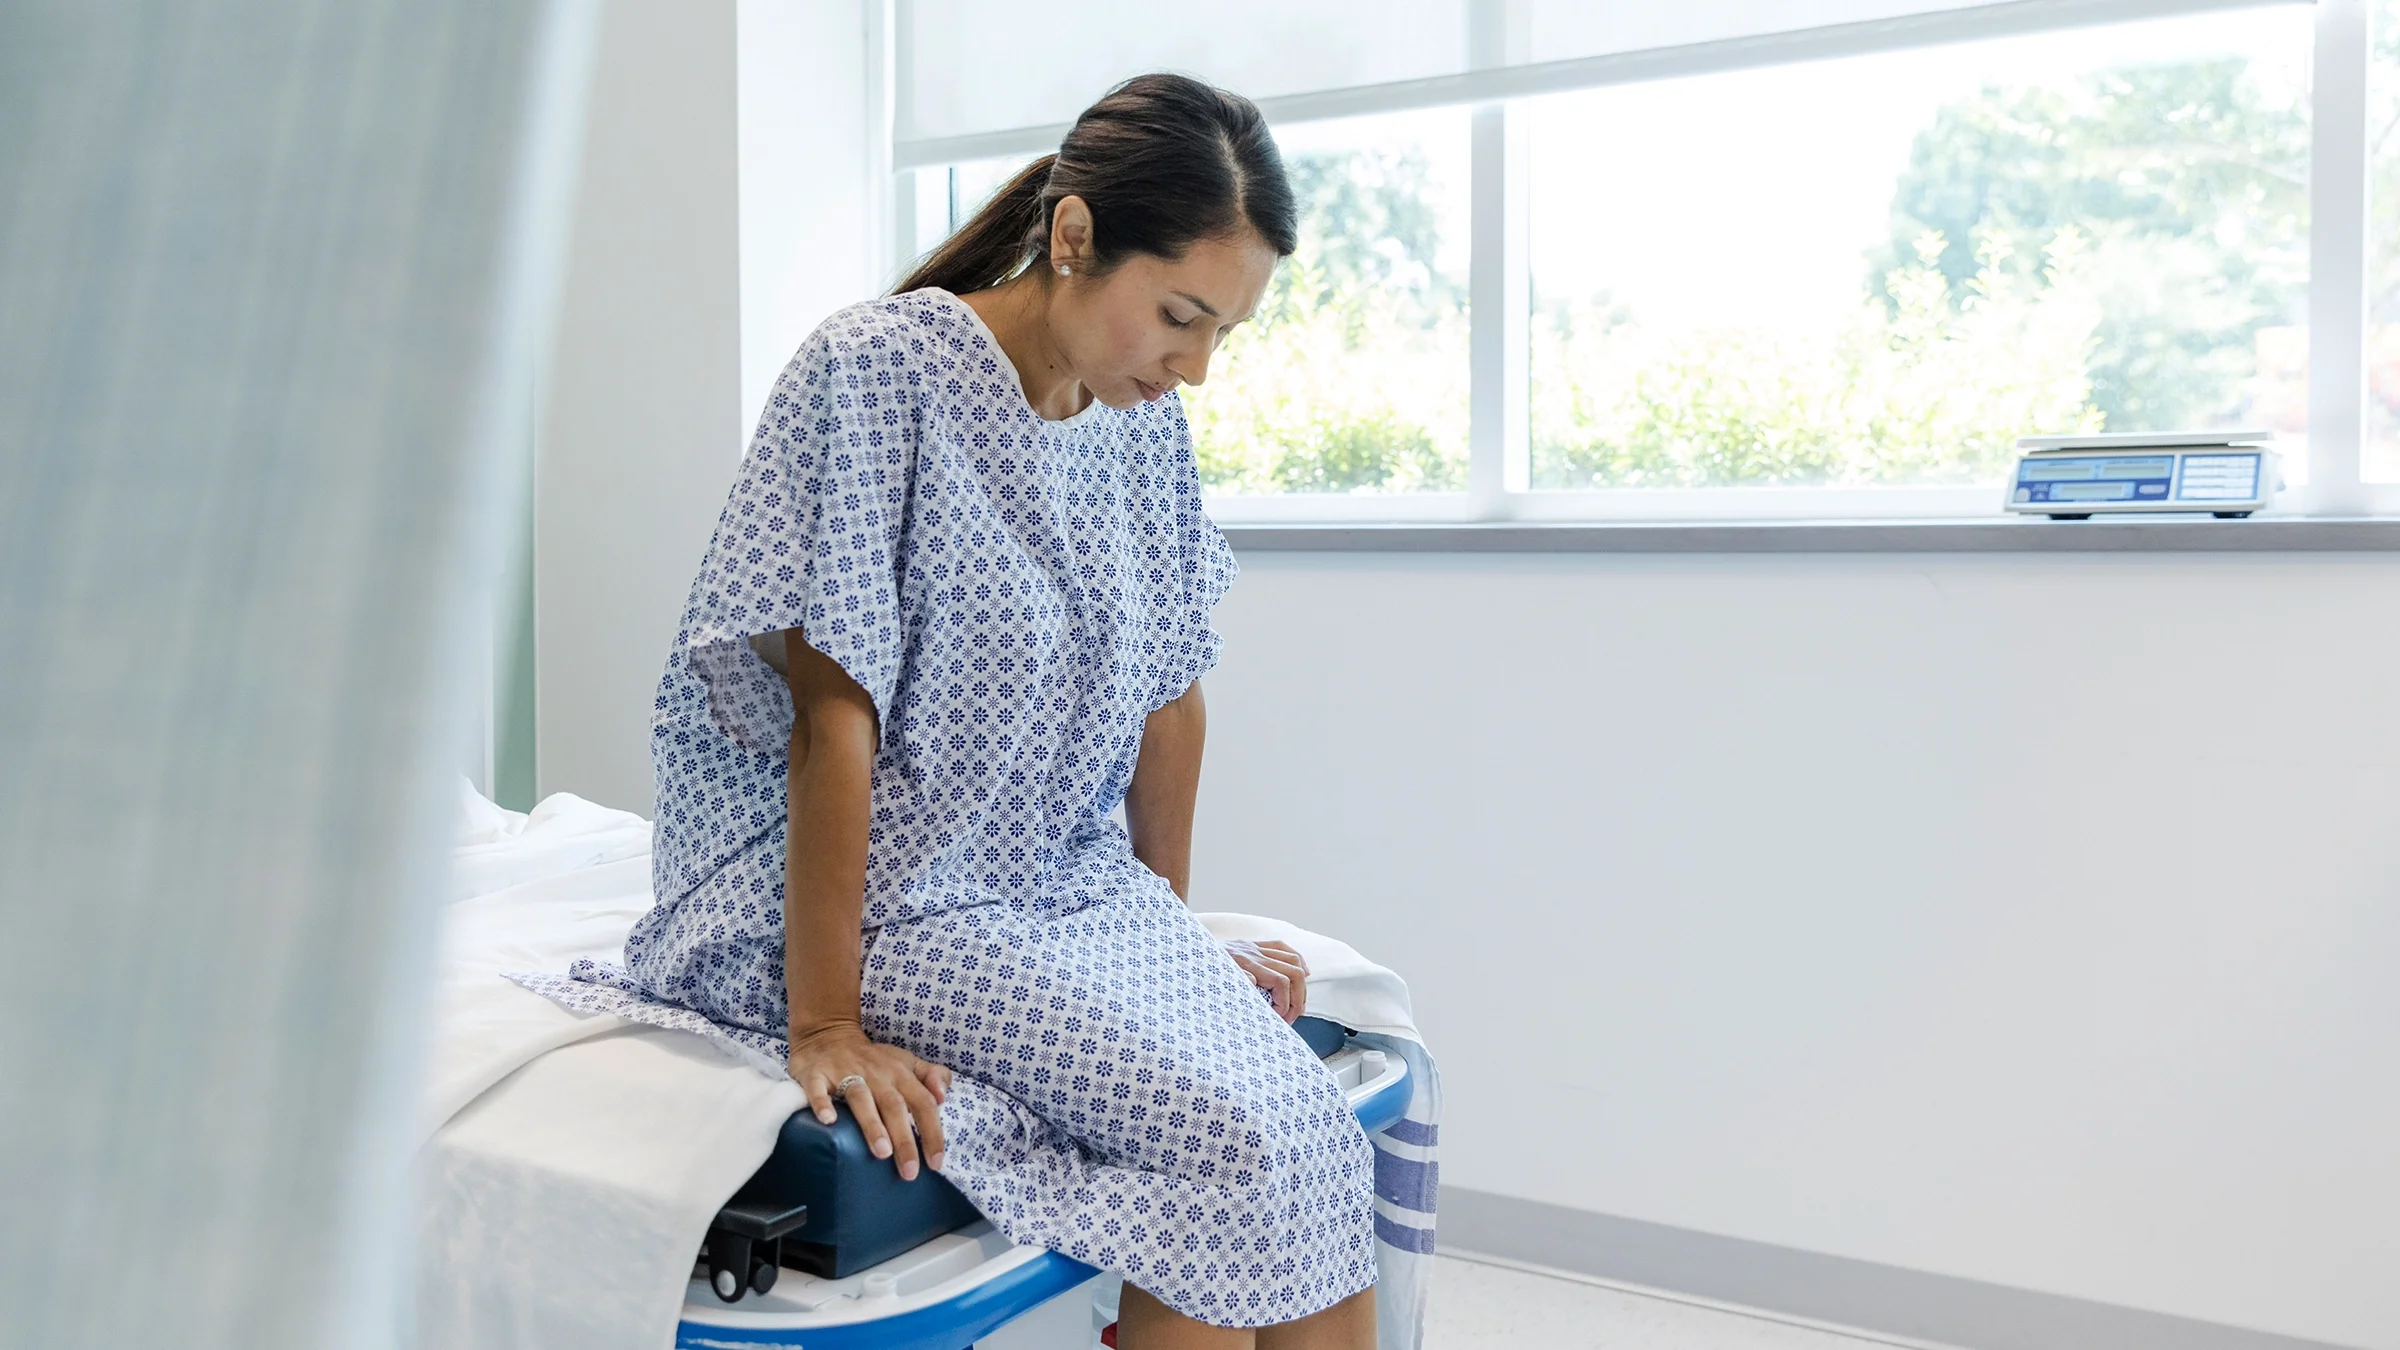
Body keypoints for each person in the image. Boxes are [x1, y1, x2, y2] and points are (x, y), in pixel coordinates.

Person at [528, 74, 1377, 1348]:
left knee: (1315, 1139)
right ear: (1078, 237)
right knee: (1234, 1143)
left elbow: (1170, 698)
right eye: (1180, 317)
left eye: (1223, 335)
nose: (1195, 368)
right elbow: (832, 719)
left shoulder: (1137, 424)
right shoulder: (877, 373)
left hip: (1058, 885)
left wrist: (1172, 944)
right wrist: (826, 1024)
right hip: (895, 893)